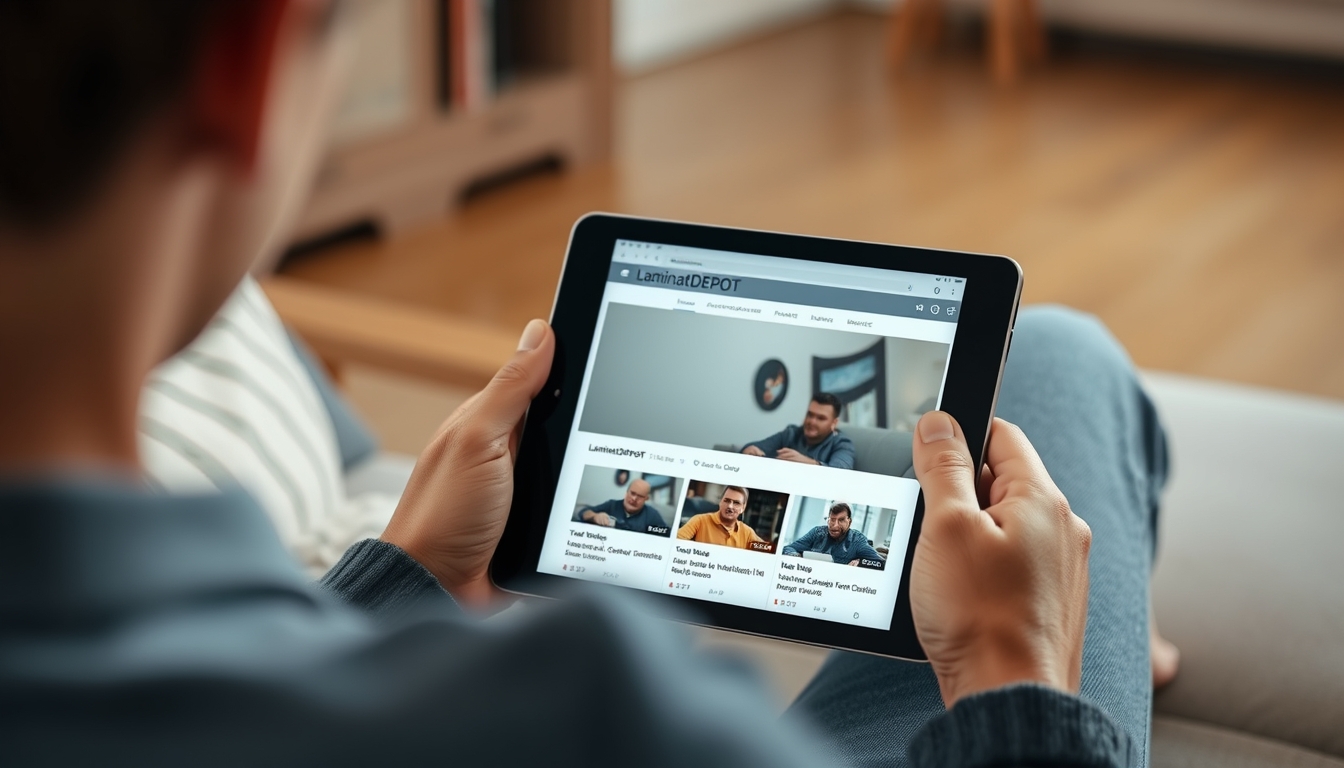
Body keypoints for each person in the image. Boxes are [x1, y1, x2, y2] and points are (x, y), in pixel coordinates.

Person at [0, 2, 1175, 766]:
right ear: (249, 66)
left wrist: (395, 586)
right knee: (1063, 359)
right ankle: (1092, 609)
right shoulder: (588, 713)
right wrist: (1016, 682)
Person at [742, 393, 856, 469]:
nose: (812, 422)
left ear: (834, 423)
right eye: (810, 415)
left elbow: (840, 473)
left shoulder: (843, 444)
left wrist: (808, 463)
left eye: (821, 418)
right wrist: (749, 449)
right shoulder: (791, 434)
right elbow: (754, 447)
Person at [782, 502, 884, 566]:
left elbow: (881, 562)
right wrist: (795, 556)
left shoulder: (857, 541)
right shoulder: (817, 532)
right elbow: (788, 548)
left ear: (850, 521)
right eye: (832, 520)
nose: (835, 525)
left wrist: (861, 562)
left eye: (841, 520)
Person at [675, 486, 766, 549]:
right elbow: (676, 540)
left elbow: (768, 550)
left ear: (743, 508)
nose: (730, 506)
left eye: (736, 503)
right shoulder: (700, 520)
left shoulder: (747, 532)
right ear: (720, 502)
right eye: (726, 501)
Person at [577, 478, 669, 535]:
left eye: (640, 496)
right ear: (626, 492)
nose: (634, 498)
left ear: (646, 499)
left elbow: (666, 533)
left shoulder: (652, 514)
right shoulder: (612, 505)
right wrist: (595, 517)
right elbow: (583, 512)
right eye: (632, 493)